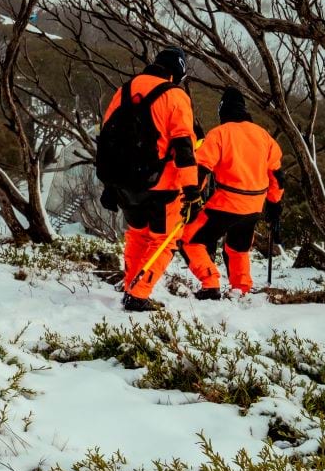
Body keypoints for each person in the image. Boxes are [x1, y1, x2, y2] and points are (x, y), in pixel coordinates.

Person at [99, 47, 199, 312]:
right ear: (177, 71)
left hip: (123, 183)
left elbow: (107, 138)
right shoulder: (176, 96)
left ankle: (131, 283)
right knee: (165, 241)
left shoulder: (126, 89)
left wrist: (109, 184)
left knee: (137, 235)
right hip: (161, 185)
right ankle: (139, 294)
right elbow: (184, 147)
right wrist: (191, 189)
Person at [181, 87, 284, 299]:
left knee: (189, 239)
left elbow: (201, 169)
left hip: (226, 203)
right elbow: (277, 175)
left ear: (222, 111)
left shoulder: (219, 133)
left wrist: (192, 197)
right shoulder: (263, 136)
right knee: (238, 248)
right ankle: (241, 289)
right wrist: (274, 204)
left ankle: (210, 283)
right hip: (255, 205)